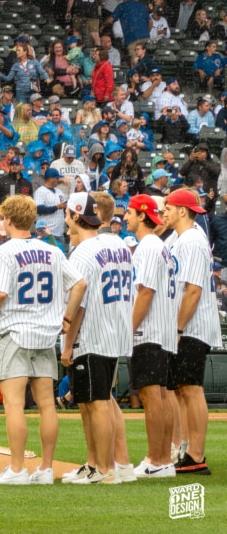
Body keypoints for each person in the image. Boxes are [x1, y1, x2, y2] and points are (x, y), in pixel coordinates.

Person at [0, 195, 86, 485]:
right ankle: (46, 469)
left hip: (15, 332)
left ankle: (17, 469)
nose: (0, 222)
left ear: (8, 220)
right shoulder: (51, 250)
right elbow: (79, 284)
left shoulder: (2, 252)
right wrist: (67, 318)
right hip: (46, 335)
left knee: (14, 405)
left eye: (2, 218)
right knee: (47, 404)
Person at [61, 192, 135, 484]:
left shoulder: (82, 251)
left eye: (68, 213)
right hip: (114, 329)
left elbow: (79, 302)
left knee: (96, 403)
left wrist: (67, 343)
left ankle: (104, 469)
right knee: (100, 400)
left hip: (92, 333)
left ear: (77, 215)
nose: (66, 218)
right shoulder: (118, 244)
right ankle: (97, 465)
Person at [162, 189, 221, 475]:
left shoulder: (193, 240)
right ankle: (186, 449)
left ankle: (196, 454)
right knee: (183, 389)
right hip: (185, 325)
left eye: (169, 208)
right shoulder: (181, 238)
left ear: (182, 210)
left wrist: (178, 327)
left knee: (192, 389)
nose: (164, 212)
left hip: (192, 325)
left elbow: (193, 290)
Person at [122, 194, 178, 478]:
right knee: (164, 396)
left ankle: (156, 460)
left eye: (130, 212)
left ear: (143, 214)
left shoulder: (147, 247)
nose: (125, 217)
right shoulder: (161, 246)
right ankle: (164, 459)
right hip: (164, 329)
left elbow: (145, 291)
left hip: (149, 330)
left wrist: (128, 328)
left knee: (151, 396)